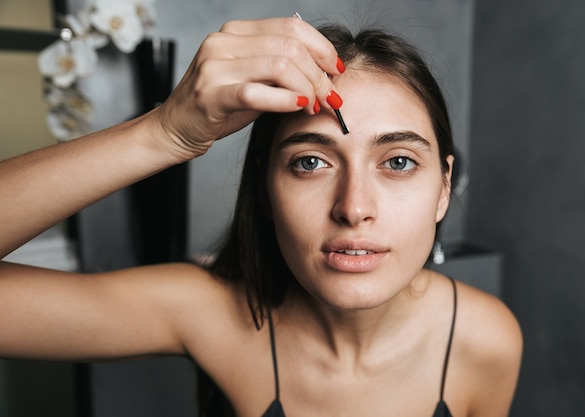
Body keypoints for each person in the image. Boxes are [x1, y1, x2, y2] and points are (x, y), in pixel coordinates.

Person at [0, 17, 522, 417]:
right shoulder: (209, 312)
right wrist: (163, 133)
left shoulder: (486, 339)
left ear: (443, 188)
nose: (354, 207)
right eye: (311, 162)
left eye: (399, 162)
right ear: (266, 192)